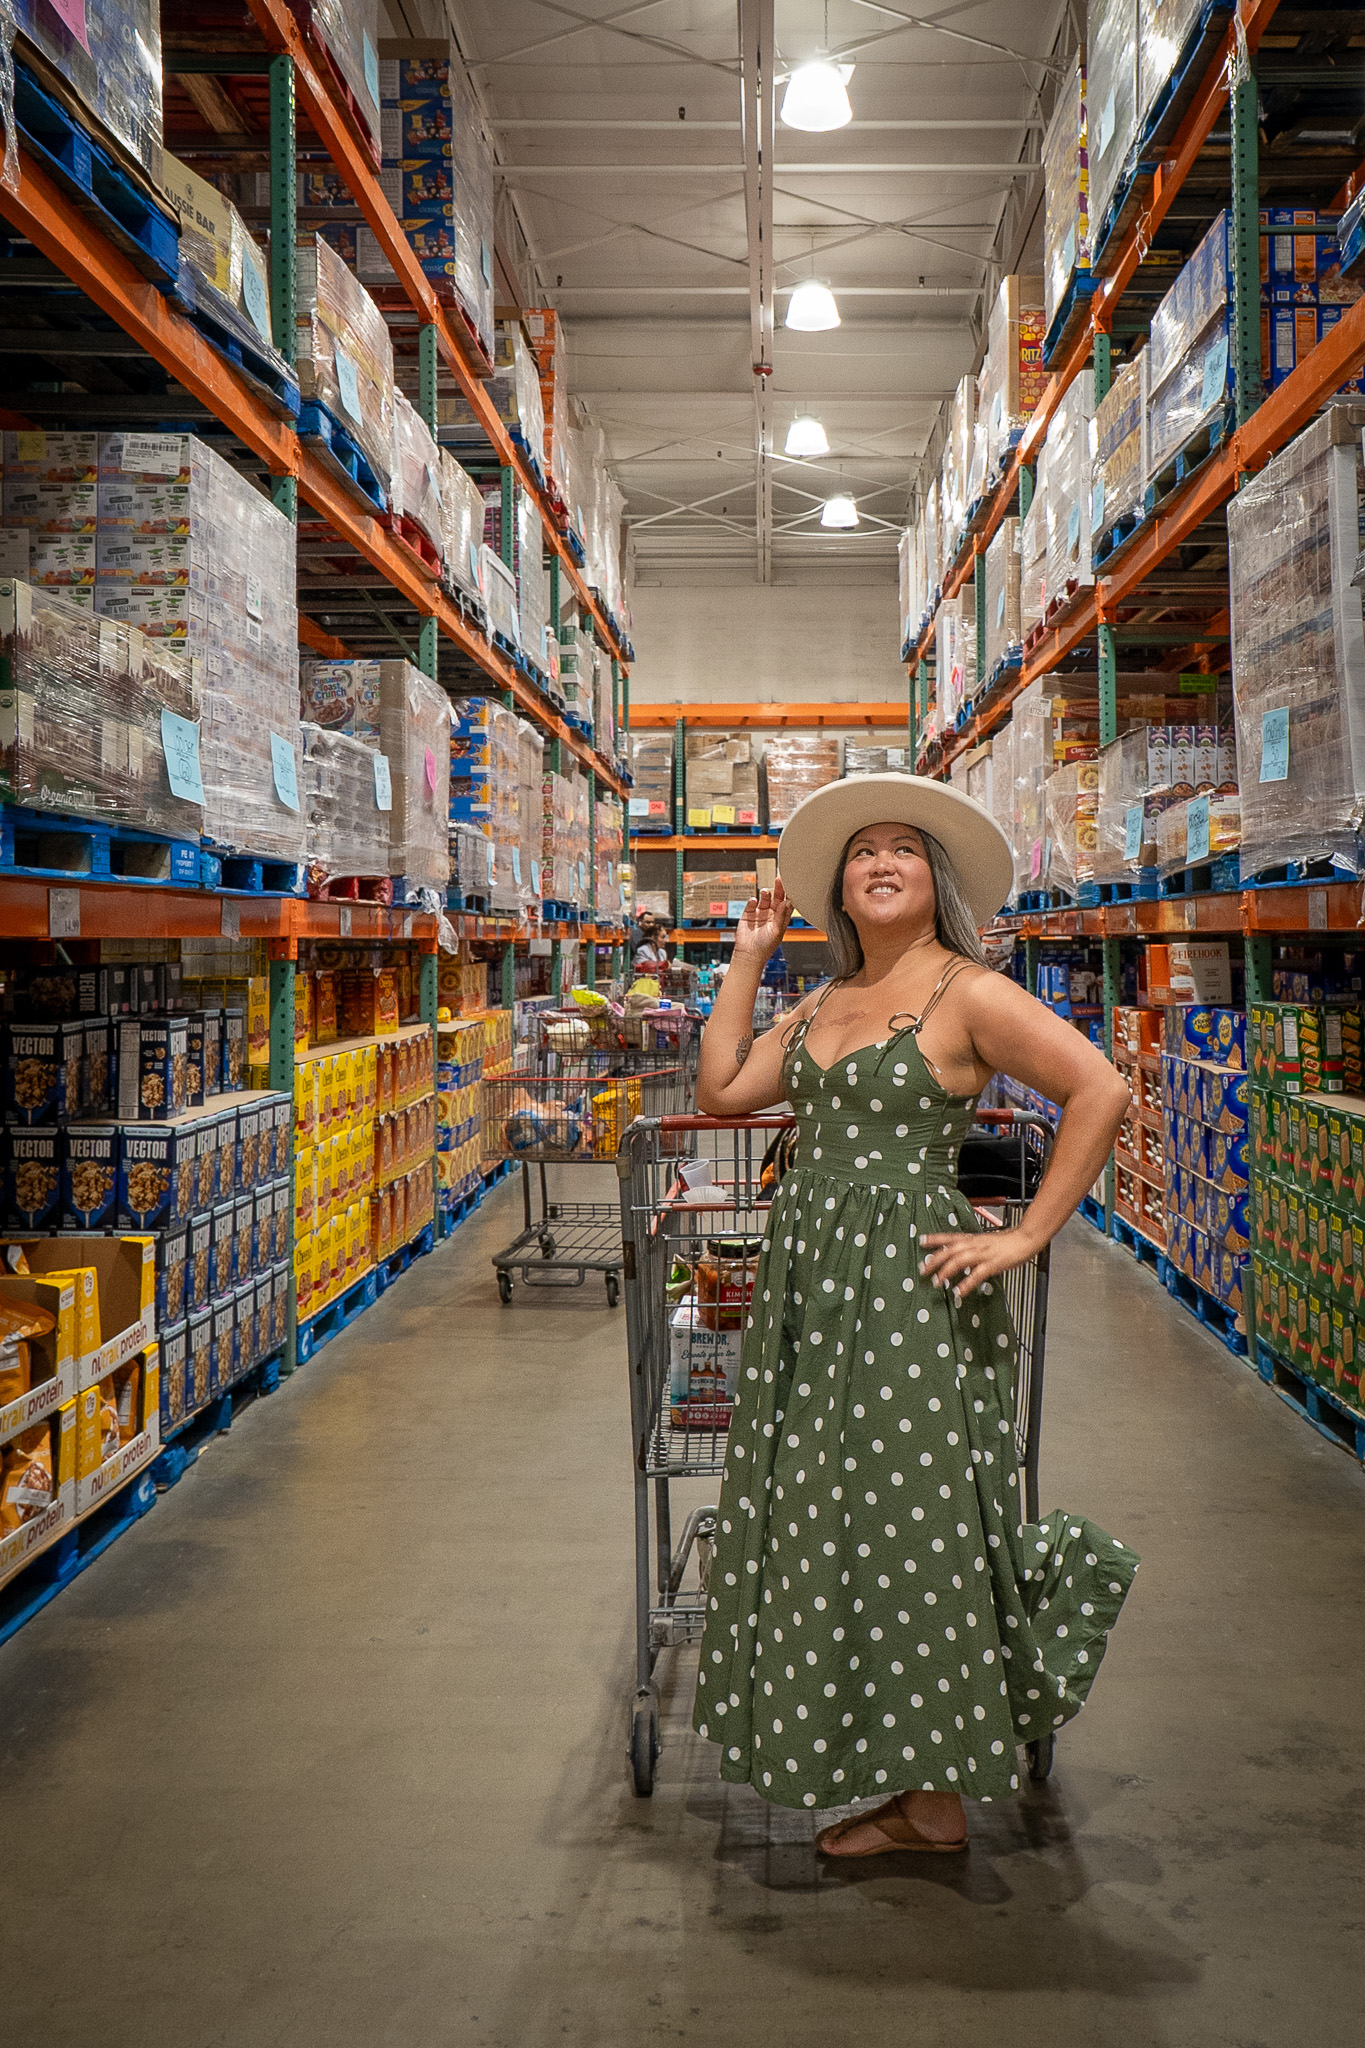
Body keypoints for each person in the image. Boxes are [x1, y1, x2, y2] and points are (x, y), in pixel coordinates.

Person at [692, 774, 1137, 1857]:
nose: (879, 861)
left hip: (908, 1299)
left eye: (902, 848)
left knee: (917, 1523)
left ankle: (934, 1790)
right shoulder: (824, 996)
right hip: (811, 1288)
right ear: (839, 889)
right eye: (861, 851)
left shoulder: (967, 992)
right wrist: (749, 960)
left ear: (933, 882)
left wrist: (1026, 1232)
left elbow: (1101, 1088)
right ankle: (896, 1777)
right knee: (832, 1518)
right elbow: (725, 1089)